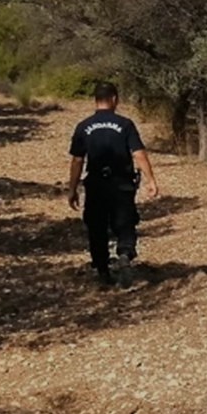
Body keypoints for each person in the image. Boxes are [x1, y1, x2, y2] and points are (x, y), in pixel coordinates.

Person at [68, 82, 160, 288]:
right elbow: (139, 154)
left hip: (96, 185)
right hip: (122, 184)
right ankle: (125, 254)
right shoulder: (125, 124)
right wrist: (151, 180)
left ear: (95, 100)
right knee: (125, 222)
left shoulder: (83, 126)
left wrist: (72, 189)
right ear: (115, 99)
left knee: (97, 227)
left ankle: (102, 271)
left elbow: (77, 160)